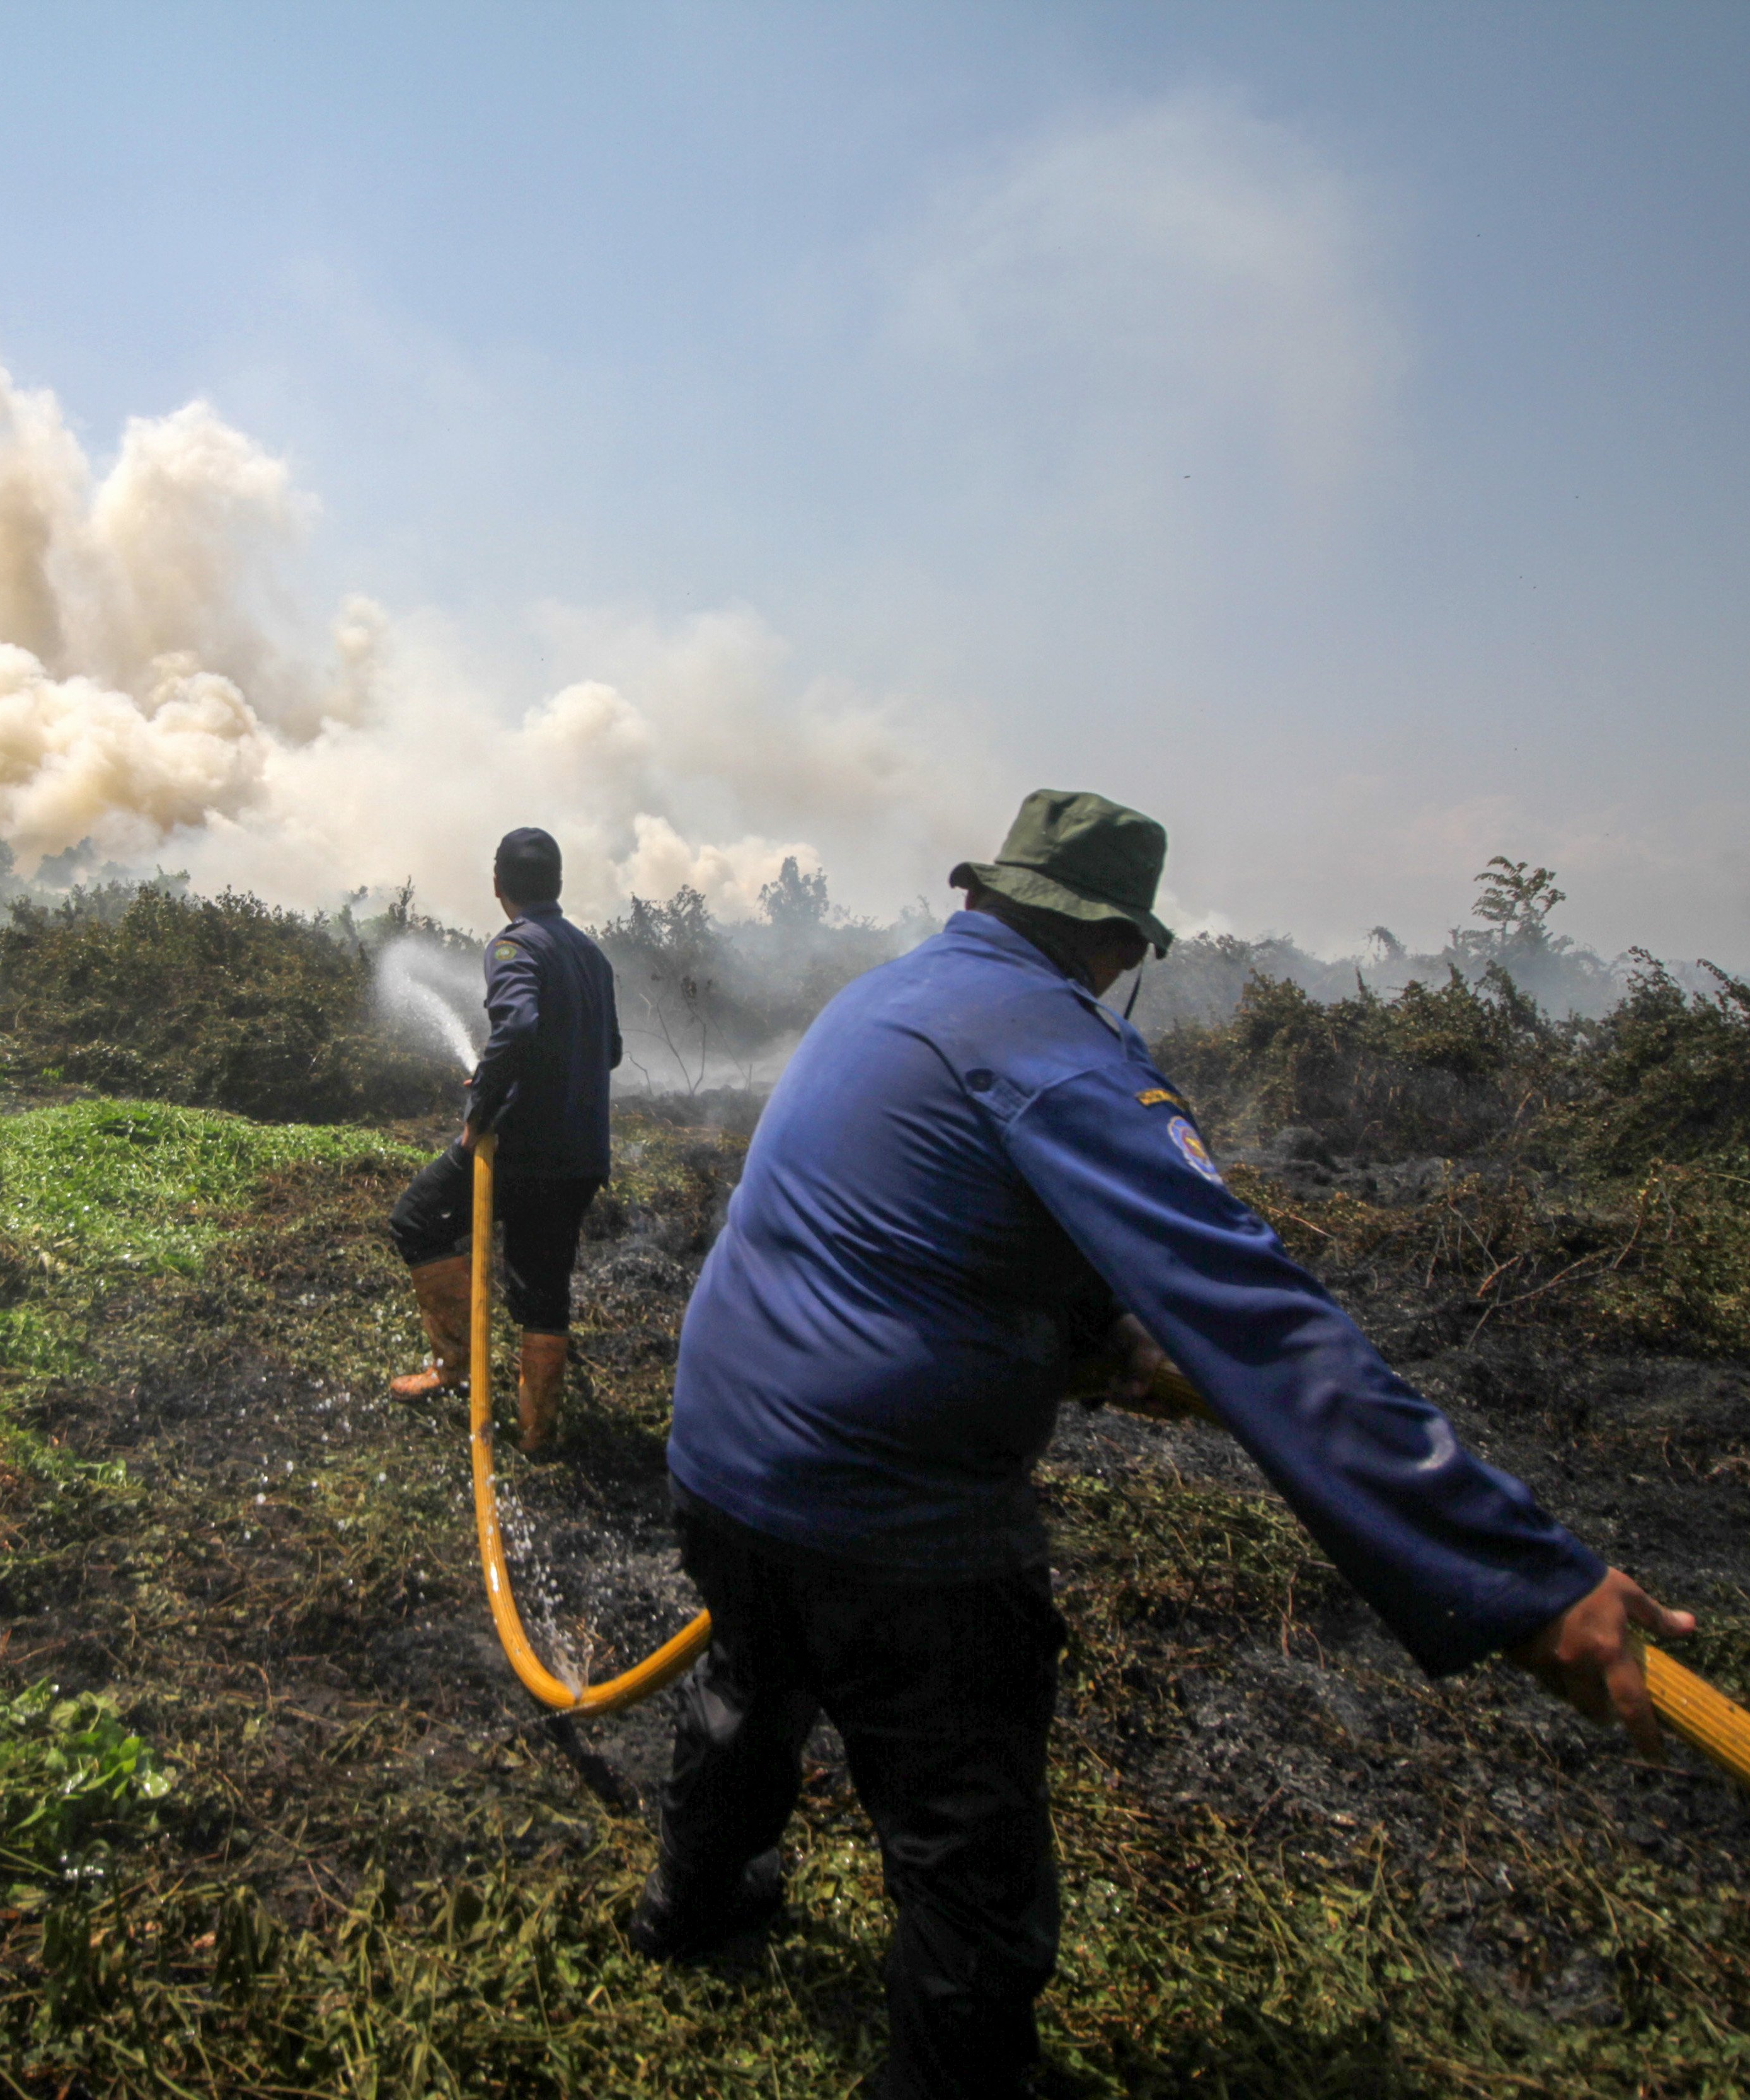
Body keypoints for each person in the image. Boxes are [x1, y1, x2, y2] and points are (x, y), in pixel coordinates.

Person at [636, 789, 1692, 2100]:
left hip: (722, 1465)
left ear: (983, 897)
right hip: (895, 1532)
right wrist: (1523, 1576)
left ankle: (691, 1907)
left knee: (752, 1680)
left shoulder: (882, 998)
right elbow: (1254, 1310)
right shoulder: (1060, 1049)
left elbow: (933, 1221)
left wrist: (1095, 1348)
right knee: (969, 1856)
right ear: (1117, 944)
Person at [386, 827, 624, 1450]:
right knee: (542, 1288)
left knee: (416, 1220)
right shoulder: (591, 957)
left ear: (498, 887)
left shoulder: (513, 946)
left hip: (520, 1149)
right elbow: (612, 1052)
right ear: (558, 884)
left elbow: (516, 1026)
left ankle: (457, 1366)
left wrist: (482, 1107)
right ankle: (537, 1432)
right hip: (581, 1154)